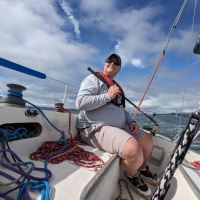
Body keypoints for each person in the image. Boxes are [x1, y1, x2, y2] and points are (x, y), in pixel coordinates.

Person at [76, 53, 157, 197]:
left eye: (116, 63)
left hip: (117, 127)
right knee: (133, 148)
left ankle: (142, 168)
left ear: (119, 69)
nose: (112, 63)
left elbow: (121, 110)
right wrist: (107, 96)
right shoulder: (93, 79)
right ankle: (132, 175)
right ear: (105, 63)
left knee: (148, 140)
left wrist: (131, 121)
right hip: (94, 127)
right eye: (109, 60)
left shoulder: (116, 86)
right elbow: (81, 103)